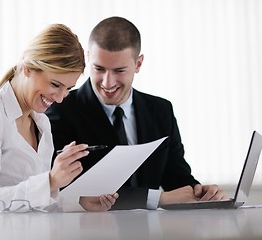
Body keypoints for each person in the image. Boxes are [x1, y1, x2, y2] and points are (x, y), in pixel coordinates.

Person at [45, 17, 227, 210]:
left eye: (119, 71)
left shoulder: (161, 111)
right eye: (99, 69)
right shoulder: (61, 109)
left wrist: (201, 192)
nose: (107, 82)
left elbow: (177, 180)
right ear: (89, 58)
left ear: (138, 64)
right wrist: (159, 199)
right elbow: (68, 191)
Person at [0, 23, 118, 213]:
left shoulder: (41, 122)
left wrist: (79, 202)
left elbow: (35, 202)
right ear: (28, 68)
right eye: (55, 84)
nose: (60, 99)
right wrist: (50, 181)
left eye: (67, 89)